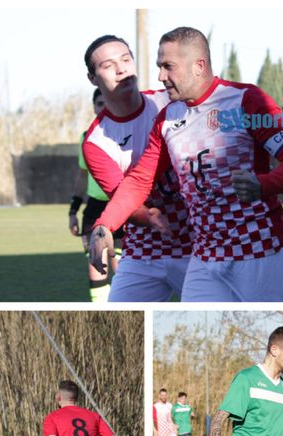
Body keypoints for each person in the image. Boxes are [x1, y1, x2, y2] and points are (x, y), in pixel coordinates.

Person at [88, 27, 283, 302]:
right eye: (160, 67)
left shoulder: (245, 101)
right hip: (204, 259)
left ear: (199, 65)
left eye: (168, 67)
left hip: (260, 252)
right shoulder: (168, 118)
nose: (161, 76)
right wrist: (105, 225)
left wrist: (263, 184)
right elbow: (139, 180)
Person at [82, 34, 192, 302]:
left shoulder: (172, 103)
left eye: (126, 60)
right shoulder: (96, 142)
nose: (122, 69)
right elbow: (125, 198)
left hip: (197, 243)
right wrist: (148, 217)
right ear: (93, 79)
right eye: (108, 65)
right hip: (144, 249)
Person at [69, 87, 122, 302]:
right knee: (97, 270)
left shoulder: (125, 134)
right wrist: (73, 210)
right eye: (100, 104)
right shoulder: (86, 138)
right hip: (94, 210)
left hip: (121, 210)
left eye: (107, 103)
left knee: (122, 272)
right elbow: (82, 177)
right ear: (94, 107)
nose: (103, 108)